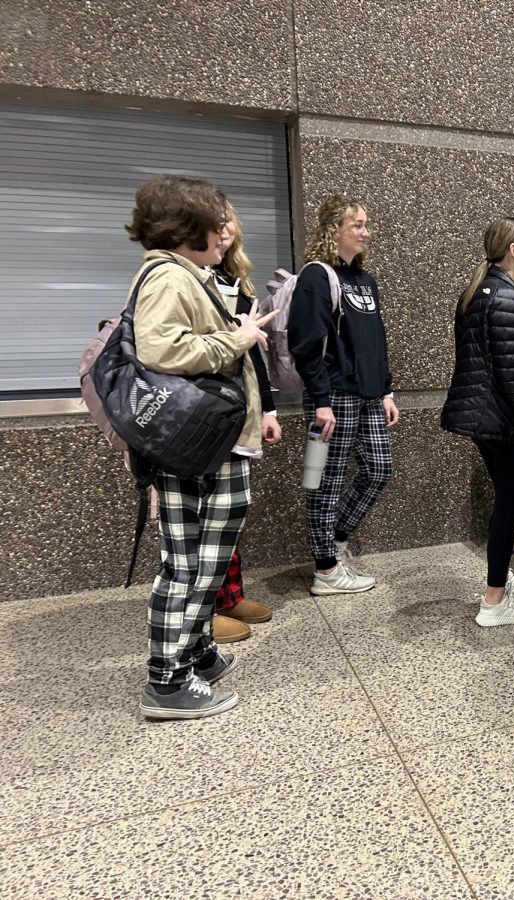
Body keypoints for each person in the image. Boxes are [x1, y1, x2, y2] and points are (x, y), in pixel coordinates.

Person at [127, 175, 276, 720]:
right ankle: (167, 681)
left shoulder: (187, 274)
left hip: (205, 444)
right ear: (189, 228)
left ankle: (193, 652)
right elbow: (162, 347)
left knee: (197, 560)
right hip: (199, 447)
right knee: (191, 565)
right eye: (217, 222)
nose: (226, 231)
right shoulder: (169, 277)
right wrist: (236, 339)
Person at [441, 217, 514, 627]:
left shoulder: (479, 291)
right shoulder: (505, 299)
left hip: (482, 418)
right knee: (507, 503)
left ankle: (501, 579)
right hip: (501, 421)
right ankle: (494, 600)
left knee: (505, 501)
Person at [289, 195, 399, 595]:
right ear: (333, 229)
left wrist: (386, 389)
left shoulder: (364, 280)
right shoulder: (316, 277)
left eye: (366, 224)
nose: (365, 232)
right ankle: (325, 570)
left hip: (369, 397)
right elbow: (306, 344)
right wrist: (321, 400)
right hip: (332, 400)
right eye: (357, 224)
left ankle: (334, 542)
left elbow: (376, 340)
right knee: (323, 480)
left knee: (380, 469)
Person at [209, 202, 283, 643]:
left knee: (231, 511)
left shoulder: (233, 280)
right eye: (215, 223)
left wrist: (268, 410)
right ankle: (202, 610)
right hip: (200, 419)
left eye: (228, 220)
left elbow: (253, 352)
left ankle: (229, 594)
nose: (225, 230)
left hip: (237, 412)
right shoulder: (178, 281)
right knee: (206, 520)